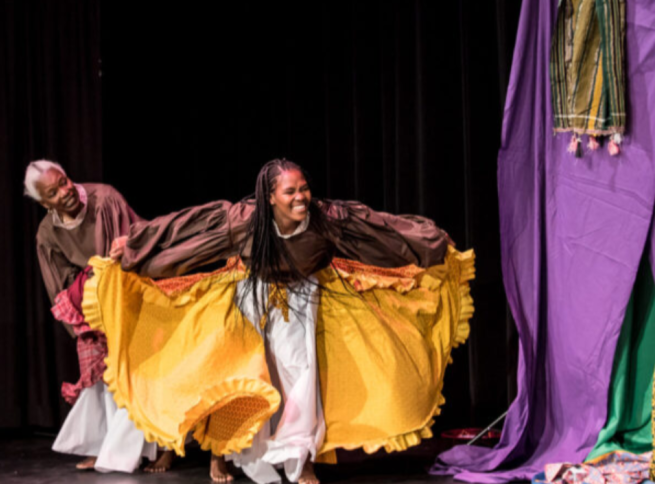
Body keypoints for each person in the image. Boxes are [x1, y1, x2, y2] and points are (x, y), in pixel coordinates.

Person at [104, 158, 474, 483]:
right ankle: (224, 450)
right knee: (239, 373)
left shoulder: (328, 220)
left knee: (301, 376)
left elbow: (384, 229)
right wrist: (135, 244)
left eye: (304, 188)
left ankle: (301, 461)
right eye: (290, 191)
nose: (301, 197)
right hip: (250, 293)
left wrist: (432, 240)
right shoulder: (243, 221)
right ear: (269, 197)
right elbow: (183, 229)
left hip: (302, 296)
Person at [25, 160, 172, 473]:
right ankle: (107, 446)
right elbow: (59, 286)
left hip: (129, 293)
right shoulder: (48, 234)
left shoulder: (103, 199)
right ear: (43, 202)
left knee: (139, 373)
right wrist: (81, 324)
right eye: (53, 192)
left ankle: (150, 449)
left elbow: (136, 240)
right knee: (102, 378)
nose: (65, 192)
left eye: (64, 182)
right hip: (94, 304)